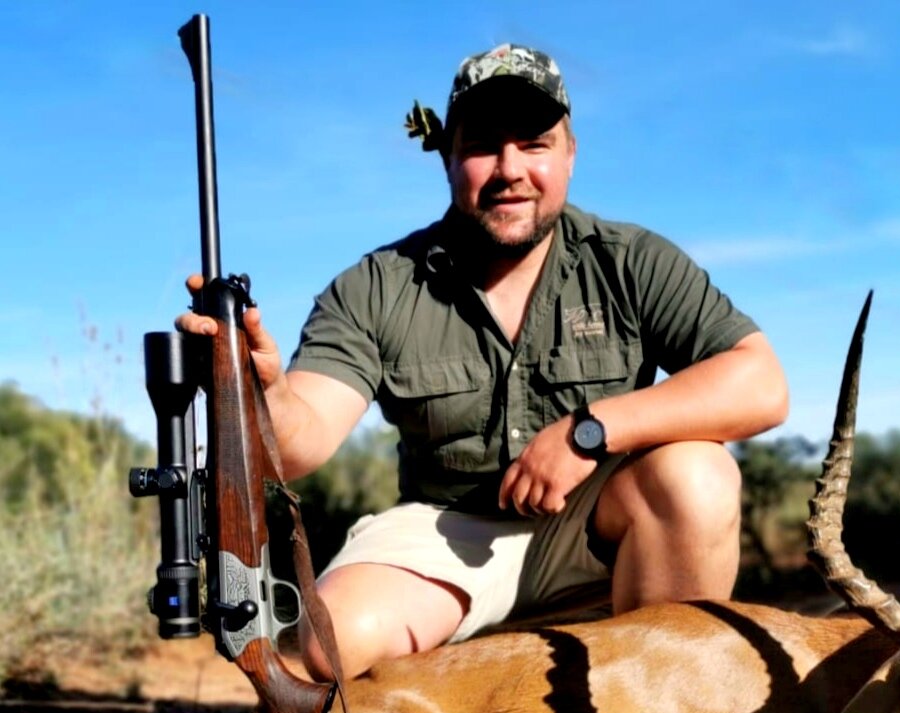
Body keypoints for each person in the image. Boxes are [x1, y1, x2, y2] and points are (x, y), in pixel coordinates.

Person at [176, 44, 788, 679]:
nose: (509, 169)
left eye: (534, 144)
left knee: (698, 475)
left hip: (597, 532)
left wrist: (590, 431)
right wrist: (255, 392)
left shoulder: (631, 260)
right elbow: (300, 439)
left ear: (570, 155)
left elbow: (760, 382)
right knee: (327, 649)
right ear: (447, 157)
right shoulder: (377, 285)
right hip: (442, 535)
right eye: (483, 146)